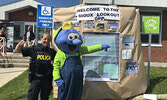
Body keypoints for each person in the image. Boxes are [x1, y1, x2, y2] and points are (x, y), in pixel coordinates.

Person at [53, 22, 110, 100]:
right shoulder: (61, 53)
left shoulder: (78, 50)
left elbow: (90, 49)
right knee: (65, 95)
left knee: (77, 94)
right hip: (66, 81)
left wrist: (101, 46)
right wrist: (57, 78)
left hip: (77, 78)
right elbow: (56, 67)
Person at [16, 33, 56, 100]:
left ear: (50, 41)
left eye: (48, 39)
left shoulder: (52, 52)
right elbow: (17, 51)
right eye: (45, 39)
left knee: (45, 97)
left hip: (47, 79)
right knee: (31, 97)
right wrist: (19, 45)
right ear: (41, 39)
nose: (46, 41)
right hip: (35, 78)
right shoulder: (34, 49)